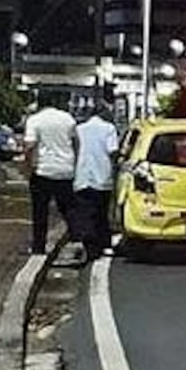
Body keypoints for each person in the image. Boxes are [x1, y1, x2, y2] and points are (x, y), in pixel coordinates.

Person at [23, 91, 77, 255]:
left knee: (40, 212)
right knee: (69, 209)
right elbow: (76, 142)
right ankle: (79, 239)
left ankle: (39, 247)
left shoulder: (34, 120)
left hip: (43, 171)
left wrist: (28, 168)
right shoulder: (68, 119)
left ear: (39, 104)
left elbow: (30, 147)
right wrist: (74, 162)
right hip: (65, 171)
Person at [73, 102, 119, 261]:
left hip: (83, 174)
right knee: (101, 213)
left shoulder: (79, 129)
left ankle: (89, 244)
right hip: (102, 175)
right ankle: (103, 244)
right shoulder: (109, 129)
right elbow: (112, 150)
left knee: (85, 212)